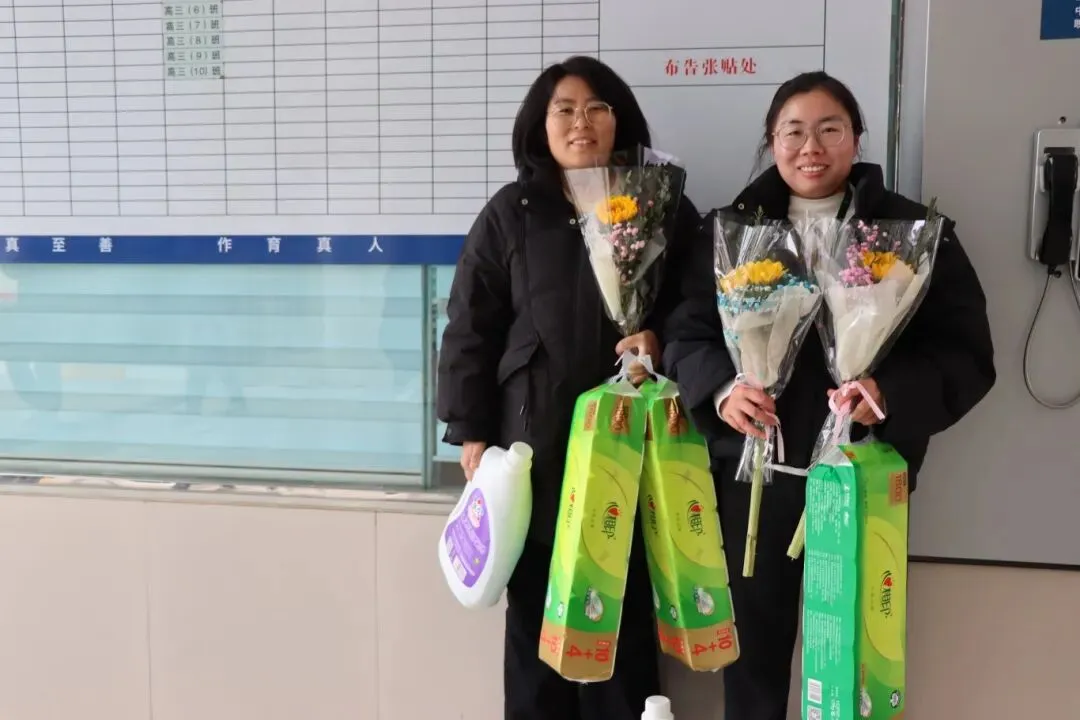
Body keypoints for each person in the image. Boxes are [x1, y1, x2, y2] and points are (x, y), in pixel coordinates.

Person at [662, 71, 996, 720]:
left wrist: (888, 392)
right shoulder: (731, 231)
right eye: (793, 131)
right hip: (756, 479)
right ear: (772, 142)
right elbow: (686, 332)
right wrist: (723, 389)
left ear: (857, 138)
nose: (810, 146)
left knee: (851, 656)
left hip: (861, 478)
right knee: (752, 661)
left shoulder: (911, 231)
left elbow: (967, 352)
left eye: (829, 129)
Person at [435, 56, 704, 720]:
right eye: (564, 109)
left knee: (626, 610)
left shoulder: (661, 206)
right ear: (540, 125)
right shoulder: (512, 211)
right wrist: (471, 430)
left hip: (634, 447)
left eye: (596, 108)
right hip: (536, 449)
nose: (581, 122)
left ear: (619, 120)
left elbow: (701, 307)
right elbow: (471, 323)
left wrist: (659, 339)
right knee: (537, 615)